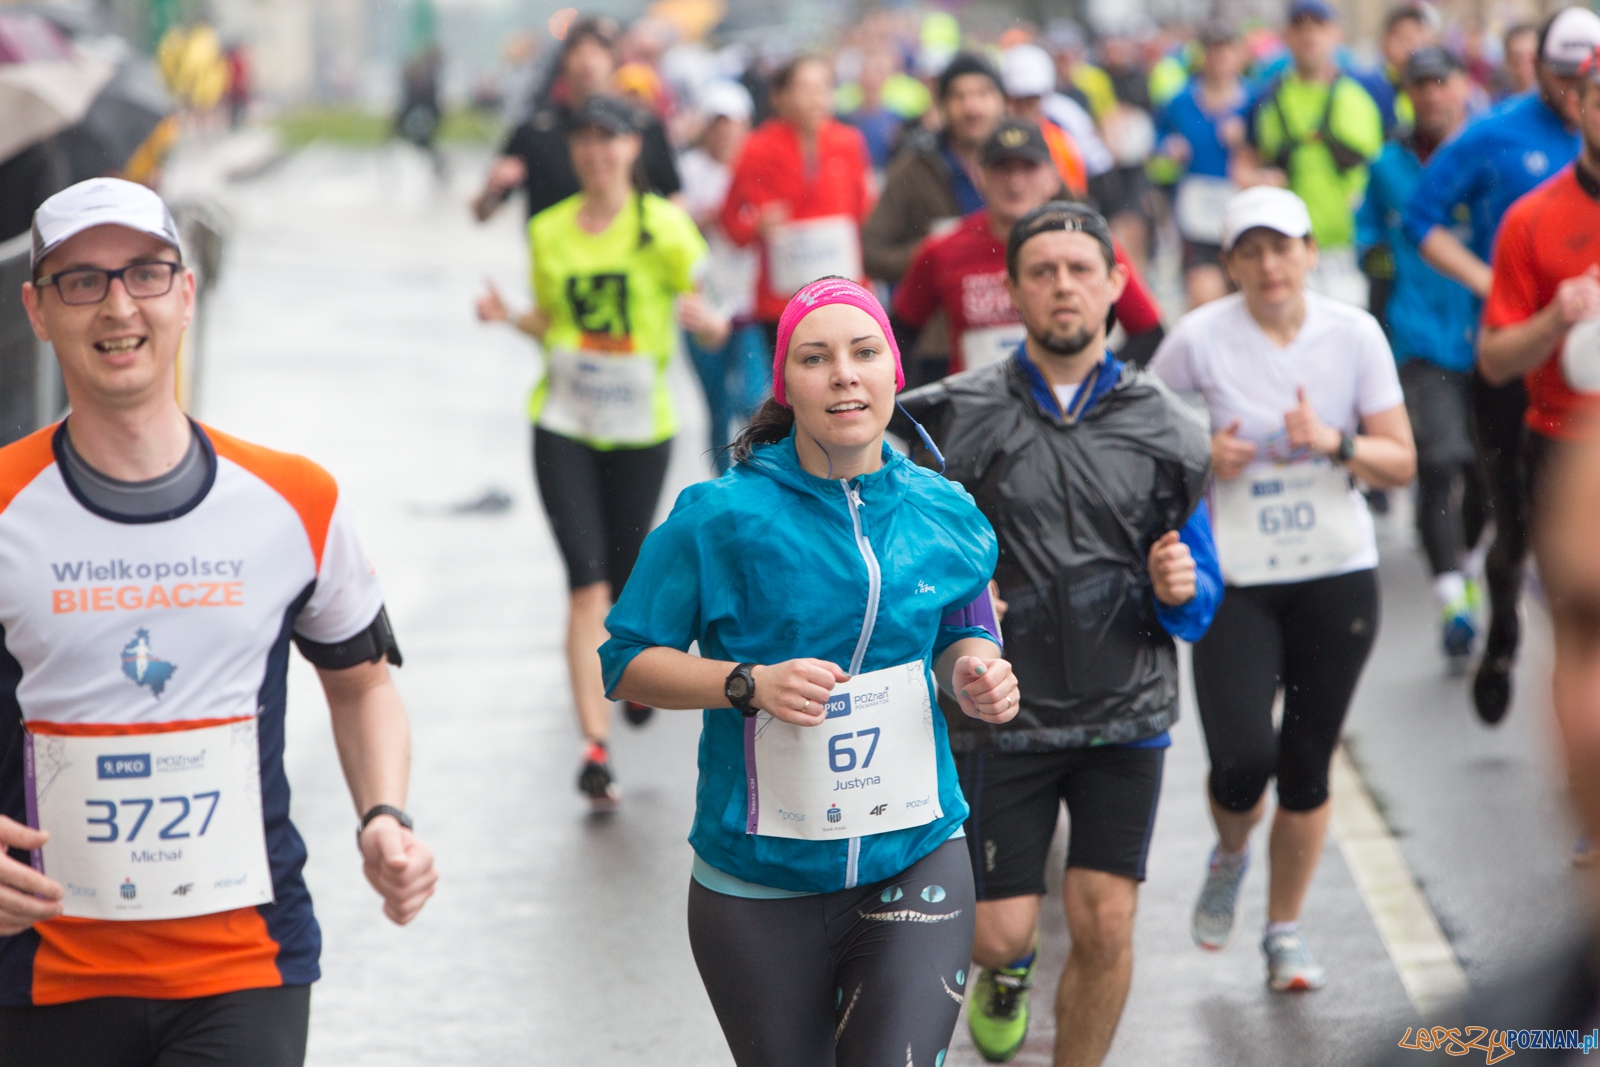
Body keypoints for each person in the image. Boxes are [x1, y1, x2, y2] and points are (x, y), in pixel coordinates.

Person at [0, 178, 437, 1064]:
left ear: (187, 294)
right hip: (41, 972)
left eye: (146, 274)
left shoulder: (293, 500)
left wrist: (384, 812)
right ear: (37, 310)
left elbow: (362, 686)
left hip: (245, 965)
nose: (118, 305)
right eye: (81, 281)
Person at [600, 276, 1020, 1067]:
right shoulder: (719, 517)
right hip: (758, 883)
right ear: (786, 384)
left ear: (894, 369)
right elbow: (627, 665)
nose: (844, 374)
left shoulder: (945, 509)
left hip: (915, 852)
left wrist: (978, 673)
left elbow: (969, 632)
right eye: (815, 357)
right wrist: (746, 684)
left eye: (864, 352)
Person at [899, 202, 1221, 1066]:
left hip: (1127, 706)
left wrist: (1183, 589)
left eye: (1082, 269)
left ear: (1118, 282)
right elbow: (898, 555)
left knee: (1106, 919)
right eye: (1041, 272)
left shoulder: (1175, 427)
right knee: (998, 933)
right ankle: (1008, 973)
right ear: (1010, 292)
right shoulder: (947, 418)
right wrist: (950, 606)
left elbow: (1200, 588)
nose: (1063, 286)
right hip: (1000, 710)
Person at [1151, 187, 1415, 992]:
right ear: (1230, 263)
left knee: (1305, 763)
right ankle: (1232, 852)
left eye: (1283, 246)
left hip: (1335, 572)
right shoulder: (1198, 338)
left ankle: (1285, 932)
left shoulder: (1354, 333)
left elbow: (1401, 461)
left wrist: (1335, 441)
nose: (1270, 264)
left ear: (1307, 251)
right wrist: (1205, 455)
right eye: (1251, 250)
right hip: (1238, 576)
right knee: (1241, 758)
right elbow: (1144, 442)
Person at [474, 96, 727, 807]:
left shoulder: (665, 227)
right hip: (562, 420)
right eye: (584, 139)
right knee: (585, 583)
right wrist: (507, 319)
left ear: (632, 148)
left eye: (608, 140)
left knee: (623, 577)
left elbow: (711, 317)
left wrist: (709, 326)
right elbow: (553, 323)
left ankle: (636, 669)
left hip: (640, 427)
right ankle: (596, 745)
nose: (595, 152)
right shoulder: (549, 230)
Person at [1403, 5, 1600, 724]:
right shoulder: (1497, 140)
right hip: (1520, 375)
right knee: (1509, 529)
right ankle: (1505, 631)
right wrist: (1503, 293)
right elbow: (1419, 219)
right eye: (1564, 73)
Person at [1355, 47, 1485, 669]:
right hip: (1417, 337)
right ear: (1407, 93)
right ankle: (1452, 600)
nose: (1431, 94)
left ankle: (1472, 560)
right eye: (1420, 84)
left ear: (1462, 84)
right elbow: (1367, 237)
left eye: (1442, 81)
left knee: (1486, 473)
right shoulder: (1387, 165)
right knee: (1437, 461)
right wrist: (1378, 274)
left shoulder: (1490, 151)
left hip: (1489, 332)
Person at [1475, 44, 1600, 685]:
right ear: (1580, 106)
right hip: (1561, 446)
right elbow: (1493, 361)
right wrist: (1555, 318)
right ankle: (1502, 625)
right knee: (1583, 630)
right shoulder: (1532, 219)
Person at [893, 118, 1165, 379]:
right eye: (1003, 169)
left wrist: (1098, 385)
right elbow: (899, 333)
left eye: (1028, 168)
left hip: (1067, 415)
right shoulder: (942, 250)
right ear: (980, 177)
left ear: (1052, 177)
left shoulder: (1088, 245)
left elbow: (1151, 333)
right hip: (976, 415)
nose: (1015, 182)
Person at [862, 53, 1007, 387]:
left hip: (1021, 338)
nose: (972, 107)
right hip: (939, 343)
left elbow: (1077, 231)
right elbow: (871, 252)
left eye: (983, 94)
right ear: (942, 105)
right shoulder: (915, 167)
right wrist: (936, 254)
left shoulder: (1030, 163)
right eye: (959, 96)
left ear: (1002, 100)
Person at [1233, 0, 1384, 308]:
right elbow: (1241, 165)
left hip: (1352, 250)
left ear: (1336, 33)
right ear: (1286, 35)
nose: (1309, 36)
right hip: (1287, 252)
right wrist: (1258, 180)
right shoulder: (1267, 98)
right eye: (1300, 27)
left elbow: (1388, 166)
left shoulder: (1365, 95)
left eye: (1319, 27)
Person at [721, 56, 875, 355]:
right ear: (781, 96)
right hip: (782, 299)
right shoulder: (756, 148)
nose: (818, 97)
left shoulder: (850, 141)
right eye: (806, 87)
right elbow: (730, 221)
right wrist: (756, 227)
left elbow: (864, 211)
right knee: (793, 391)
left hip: (845, 289)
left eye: (825, 87)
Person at [472, 17, 680, 223]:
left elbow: (675, 197)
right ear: (564, 60)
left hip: (628, 252)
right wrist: (493, 188)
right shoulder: (537, 130)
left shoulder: (642, 125)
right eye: (579, 51)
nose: (588, 61)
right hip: (557, 251)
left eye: (598, 50)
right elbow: (483, 213)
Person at [677, 80, 768, 473]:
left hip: (749, 300)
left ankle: (753, 471)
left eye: (731, 122)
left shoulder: (760, 168)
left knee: (752, 395)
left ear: (746, 124)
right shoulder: (686, 170)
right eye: (716, 122)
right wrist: (700, 217)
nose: (724, 131)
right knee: (713, 401)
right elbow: (671, 224)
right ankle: (722, 481)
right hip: (704, 297)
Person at [1157, 19, 1251, 307]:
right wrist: (1167, 147)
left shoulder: (1255, 99)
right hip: (1197, 210)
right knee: (1203, 294)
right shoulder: (1180, 101)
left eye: (1225, 51)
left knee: (1243, 294)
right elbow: (1156, 138)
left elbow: (1273, 149)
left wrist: (1246, 140)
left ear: (1238, 55)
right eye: (1212, 52)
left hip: (1240, 205)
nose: (1219, 60)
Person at [1500, 23, 1539, 100]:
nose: (1524, 64)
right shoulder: (1501, 102)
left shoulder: (1552, 102)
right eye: (1517, 57)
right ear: (1508, 60)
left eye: (1530, 57)